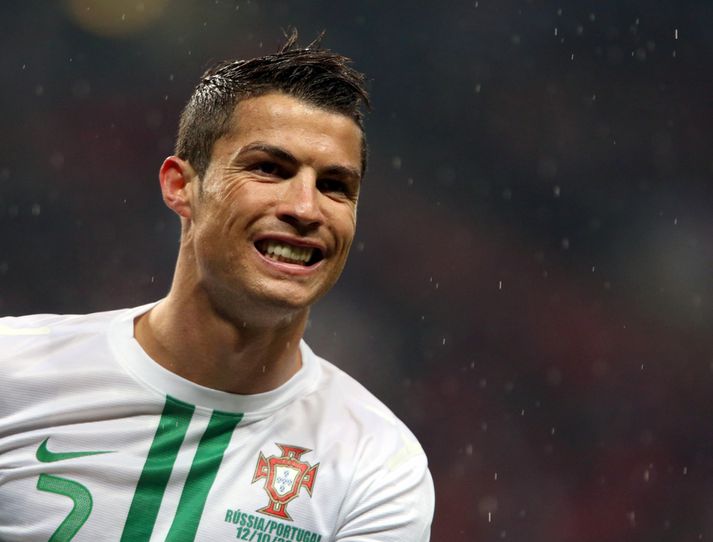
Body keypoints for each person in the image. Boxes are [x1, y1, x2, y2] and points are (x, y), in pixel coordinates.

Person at [0, 34, 434, 541]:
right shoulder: (15, 372)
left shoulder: (376, 465)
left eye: (335, 186)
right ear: (180, 186)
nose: (306, 208)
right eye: (269, 169)